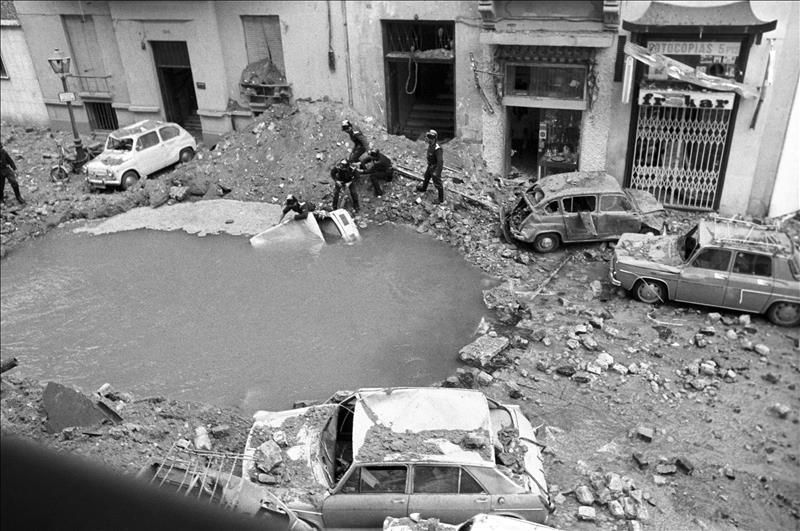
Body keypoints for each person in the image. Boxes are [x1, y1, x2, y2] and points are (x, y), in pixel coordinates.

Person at [415, 129, 444, 204]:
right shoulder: (430, 145)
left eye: (431, 137)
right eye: (428, 137)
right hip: (430, 166)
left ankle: (440, 199)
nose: (429, 139)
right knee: (426, 177)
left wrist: (437, 172)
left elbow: (440, 162)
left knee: (438, 183)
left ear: (435, 138)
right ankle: (423, 188)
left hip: (435, 167)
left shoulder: (437, 148)